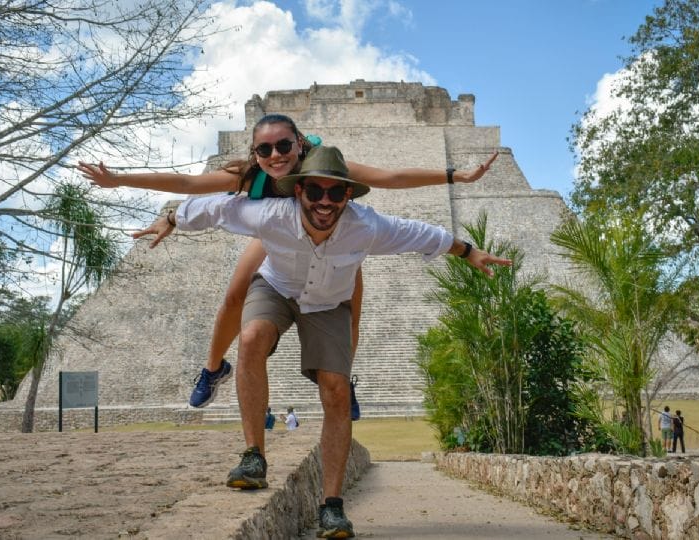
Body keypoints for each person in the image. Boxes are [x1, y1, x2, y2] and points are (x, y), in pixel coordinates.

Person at [164, 145, 511, 538]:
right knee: (251, 337)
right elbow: (217, 208)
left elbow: (420, 233)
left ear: (349, 195)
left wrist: (468, 252)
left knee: (337, 391)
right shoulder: (271, 214)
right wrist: (172, 218)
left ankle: (332, 506)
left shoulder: (367, 226)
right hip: (277, 287)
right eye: (315, 192)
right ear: (299, 192)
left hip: (328, 303)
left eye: (335, 193)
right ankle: (253, 457)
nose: (324, 202)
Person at [79, 114, 498, 411]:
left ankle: (343, 380)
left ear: (300, 144)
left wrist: (452, 175)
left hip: (331, 238)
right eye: (265, 149)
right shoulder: (251, 176)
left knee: (349, 302)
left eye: (284, 146)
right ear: (255, 152)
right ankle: (212, 368)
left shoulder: (326, 169)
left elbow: (389, 177)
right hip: (275, 233)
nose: (276, 155)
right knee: (234, 296)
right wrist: (122, 181)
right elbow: (190, 185)